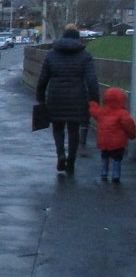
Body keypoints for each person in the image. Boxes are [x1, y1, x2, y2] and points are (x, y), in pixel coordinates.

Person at [35, 24, 99, 175]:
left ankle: (60, 154)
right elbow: (92, 81)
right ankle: (71, 160)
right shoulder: (85, 56)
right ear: (78, 39)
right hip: (77, 98)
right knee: (74, 131)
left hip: (56, 97)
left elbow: (43, 78)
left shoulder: (51, 54)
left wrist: (40, 97)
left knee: (57, 129)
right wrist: (94, 100)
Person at [89, 87, 136, 182]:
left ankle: (104, 172)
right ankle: (116, 174)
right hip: (118, 142)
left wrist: (92, 104)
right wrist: (132, 134)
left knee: (105, 155)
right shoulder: (123, 113)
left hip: (103, 140)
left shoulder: (102, 111)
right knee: (117, 157)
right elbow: (129, 125)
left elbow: (94, 112)